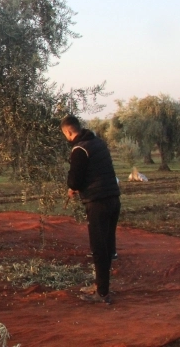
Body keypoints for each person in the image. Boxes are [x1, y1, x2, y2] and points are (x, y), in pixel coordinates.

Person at [61, 114, 121, 304]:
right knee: (107, 246)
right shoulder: (98, 143)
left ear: (69, 132)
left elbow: (74, 180)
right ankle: (101, 285)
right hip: (113, 199)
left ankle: (102, 293)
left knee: (99, 248)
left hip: (98, 203)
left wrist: (73, 187)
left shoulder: (79, 149)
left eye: (65, 135)